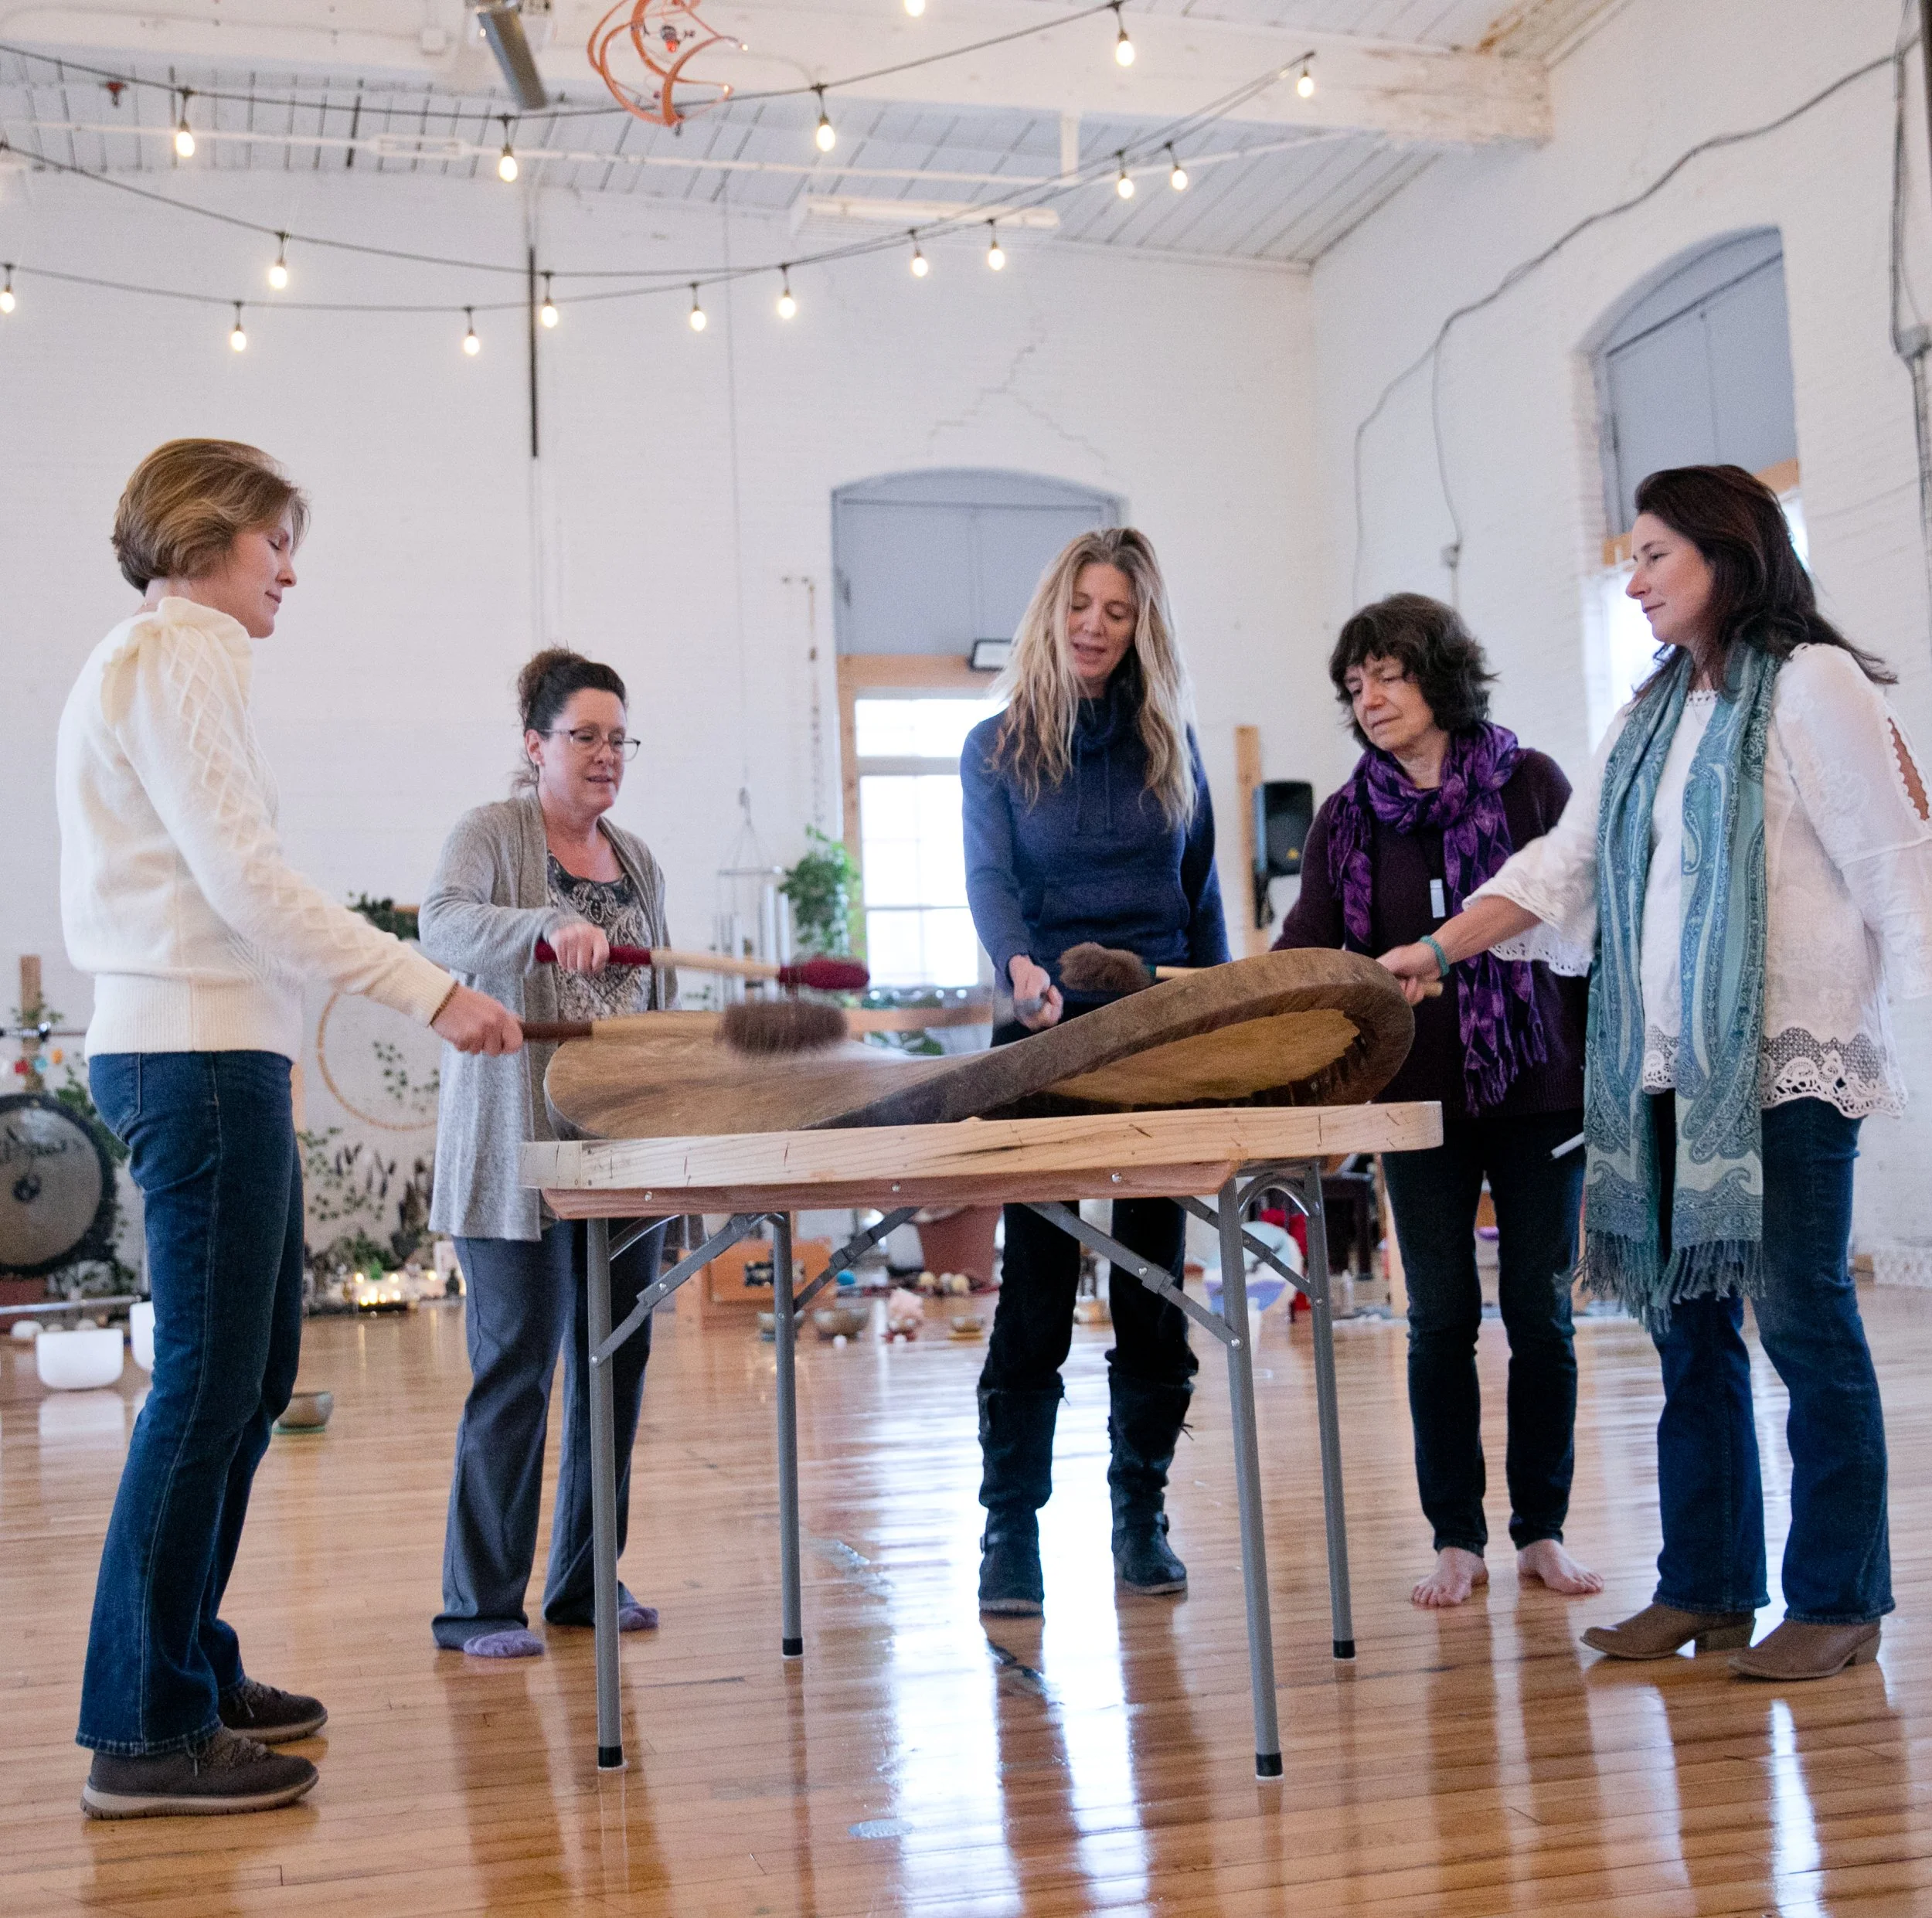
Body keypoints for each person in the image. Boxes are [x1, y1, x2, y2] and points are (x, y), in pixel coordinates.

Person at [1381, 464, 1932, 1680]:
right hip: (1666, 1073)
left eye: (1653, 556)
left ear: (1728, 555)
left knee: (1802, 1325)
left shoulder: (1814, 684)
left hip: (1785, 1065)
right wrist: (1427, 953)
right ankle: (1707, 1585)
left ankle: (1840, 1596)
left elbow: (1903, 861)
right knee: (1687, 1336)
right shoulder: (1649, 715)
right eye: (1628, 559)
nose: (1630, 581)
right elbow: (1560, 867)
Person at [56, 439, 520, 1819]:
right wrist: (430, 990)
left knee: (249, 1378)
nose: (290, 571)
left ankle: (185, 1666)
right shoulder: (177, 652)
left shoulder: (173, 662)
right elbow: (249, 881)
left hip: (214, 1053)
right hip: (190, 1054)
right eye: (275, 544)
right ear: (209, 539)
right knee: (209, 1385)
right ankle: (143, 1725)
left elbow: (238, 886)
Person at [1273, 594, 1600, 1610]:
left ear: (1441, 674)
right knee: (1441, 1318)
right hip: (1412, 1102)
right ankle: (1455, 1537)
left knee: (1541, 1314)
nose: (1368, 697)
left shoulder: (1532, 783)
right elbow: (1310, 954)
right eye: (1354, 683)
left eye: (1387, 673)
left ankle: (1541, 1528)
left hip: (1540, 1087)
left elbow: (1585, 922)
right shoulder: (1346, 818)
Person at [961, 526, 1230, 1615]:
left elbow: (1204, 905)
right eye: (1082, 604)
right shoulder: (997, 746)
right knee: (1035, 1291)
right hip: (1045, 1033)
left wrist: (1216, 1018)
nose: (1096, 625)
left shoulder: (1175, 748)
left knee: (1154, 1288)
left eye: (1118, 611)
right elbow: (989, 878)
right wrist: (1019, 965)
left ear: (1140, 626)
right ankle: (1010, 1530)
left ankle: (1140, 1511)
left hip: (1157, 1040)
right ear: (1051, 608)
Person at [420, 650, 675, 1659]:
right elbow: (443, 925)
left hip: (622, 1156)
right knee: (519, 1366)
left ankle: (583, 1581)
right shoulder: (490, 835)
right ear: (536, 745)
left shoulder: (640, 860)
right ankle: (478, 1604)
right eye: (586, 735)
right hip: (513, 1157)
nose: (606, 755)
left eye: (619, 737)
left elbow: (656, 1003)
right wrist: (544, 923)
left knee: (616, 1364)